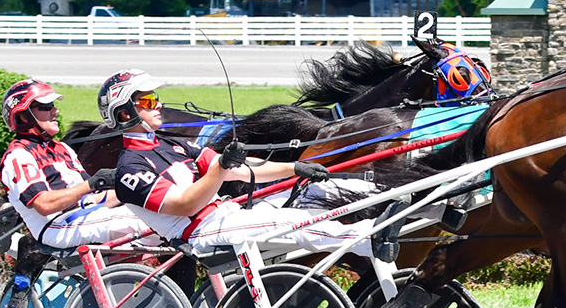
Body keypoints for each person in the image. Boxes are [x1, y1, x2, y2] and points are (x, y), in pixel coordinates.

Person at [103, 69, 387, 263]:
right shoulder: (130, 170)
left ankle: (393, 196)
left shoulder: (170, 144)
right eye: (148, 100)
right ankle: (369, 238)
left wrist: (296, 169)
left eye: (156, 99)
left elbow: (238, 168)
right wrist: (220, 167)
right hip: (201, 232)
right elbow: (185, 205)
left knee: (317, 191)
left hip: (229, 214)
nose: (159, 104)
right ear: (126, 112)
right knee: (294, 222)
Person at [0, 78, 150, 308]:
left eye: (53, 105)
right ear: (23, 114)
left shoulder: (62, 149)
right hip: (56, 227)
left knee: (154, 209)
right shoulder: (18, 156)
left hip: (85, 217)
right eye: (46, 106)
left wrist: (145, 189)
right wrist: (90, 184)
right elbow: (43, 204)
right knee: (148, 223)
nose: (55, 111)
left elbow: (97, 196)